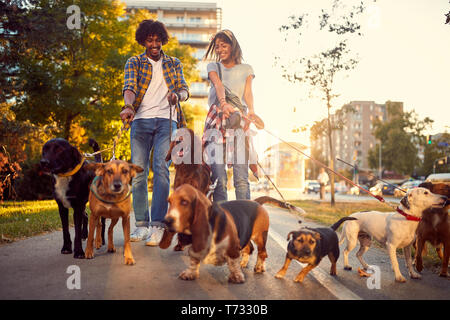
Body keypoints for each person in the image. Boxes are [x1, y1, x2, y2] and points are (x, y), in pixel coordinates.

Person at [120, 20, 189, 245]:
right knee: (138, 173)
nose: (154, 44)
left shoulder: (173, 63)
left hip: (166, 122)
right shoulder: (134, 62)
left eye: (158, 40)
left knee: (161, 169)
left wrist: (177, 96)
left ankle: (157, 225)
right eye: (150, 40)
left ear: (162, 40)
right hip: (140, 122)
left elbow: (185, 90)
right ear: (143, 41)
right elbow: (129, 88)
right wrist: (128, 106)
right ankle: (141, 224)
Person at [203, 29, 256, 202]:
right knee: (219, 178)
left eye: (223, 45)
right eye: (217, 47)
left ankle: (244, 219)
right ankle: (221, 220)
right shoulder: (213, 66)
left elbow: (248, 93)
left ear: (233, 46)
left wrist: (252, 112)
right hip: (216, 123)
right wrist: (223, 103)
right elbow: (218, 84)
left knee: (241, 178)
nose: (219, 49)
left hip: (238, 122)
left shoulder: (246, 69)